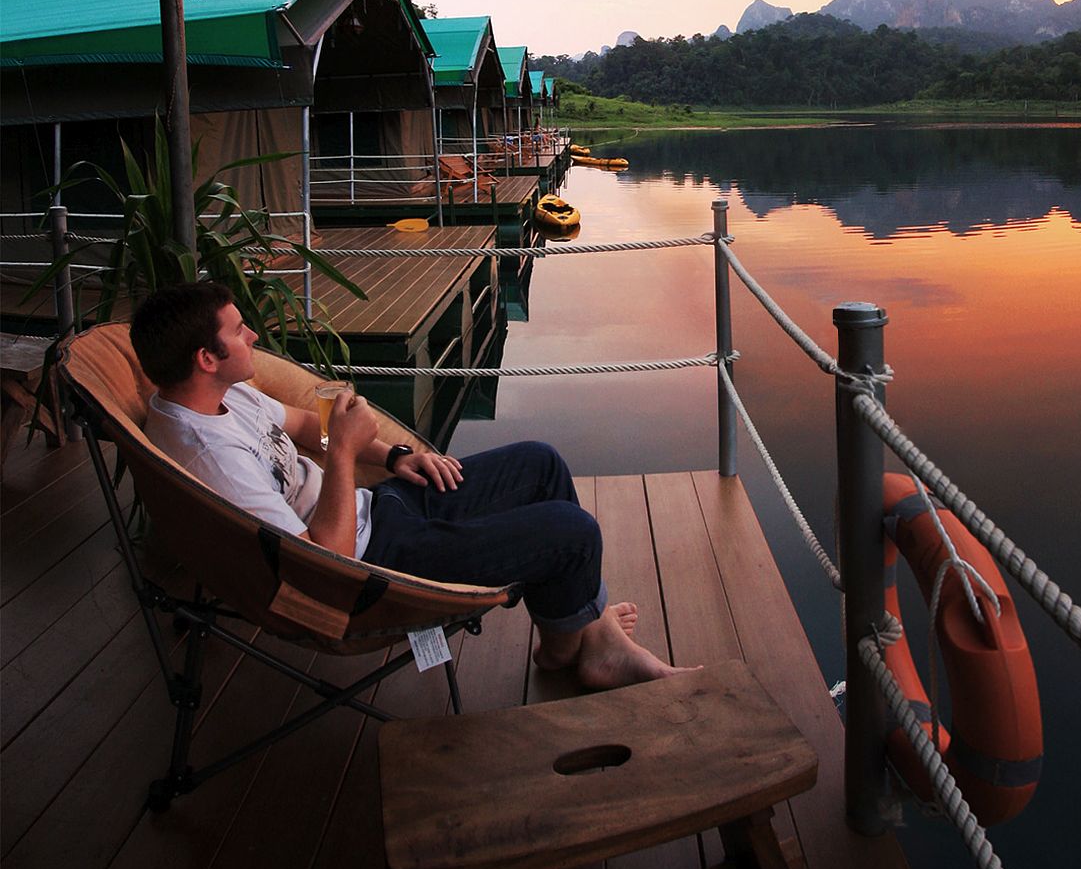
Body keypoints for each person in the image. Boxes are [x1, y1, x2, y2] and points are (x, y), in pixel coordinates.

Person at [131, 280, 687, 691]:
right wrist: (347, 454)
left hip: (375, 509)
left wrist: (393, 456)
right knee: (573, 534)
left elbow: (303, 426)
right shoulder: (211, 457)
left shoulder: (221, 395)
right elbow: (323, 565)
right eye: (238, 331)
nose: (252, 334)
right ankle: (578, 650)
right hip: (373, 565)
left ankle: (587, 624)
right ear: (207, 358)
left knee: (539, 464)